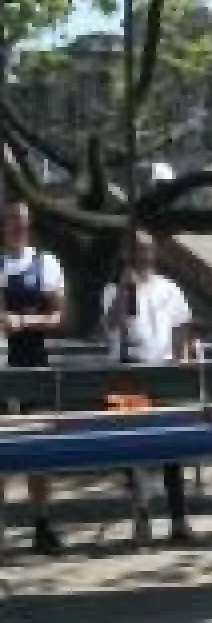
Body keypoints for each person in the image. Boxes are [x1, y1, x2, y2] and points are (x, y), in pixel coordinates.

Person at [101, 230, 195, 543]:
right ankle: (141, 514)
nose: (142, 255)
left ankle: (178, 519)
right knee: (133, 448)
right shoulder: (112, 290)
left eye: (147, 249)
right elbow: (110, 326)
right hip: (129, 374)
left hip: (163, 372)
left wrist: (181, 357)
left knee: (172, 447)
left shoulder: (169, 288)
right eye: (136, 250)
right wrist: (123, 292)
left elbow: (181, 326)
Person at [0, 201, 67, 554]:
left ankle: (42, 524)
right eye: (12, 221)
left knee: (38, 445)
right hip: (1, 362)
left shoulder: (46, 263)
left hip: (33, 361)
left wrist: (25, 321)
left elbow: (58, 317)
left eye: (23, 222)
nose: (18, 227)